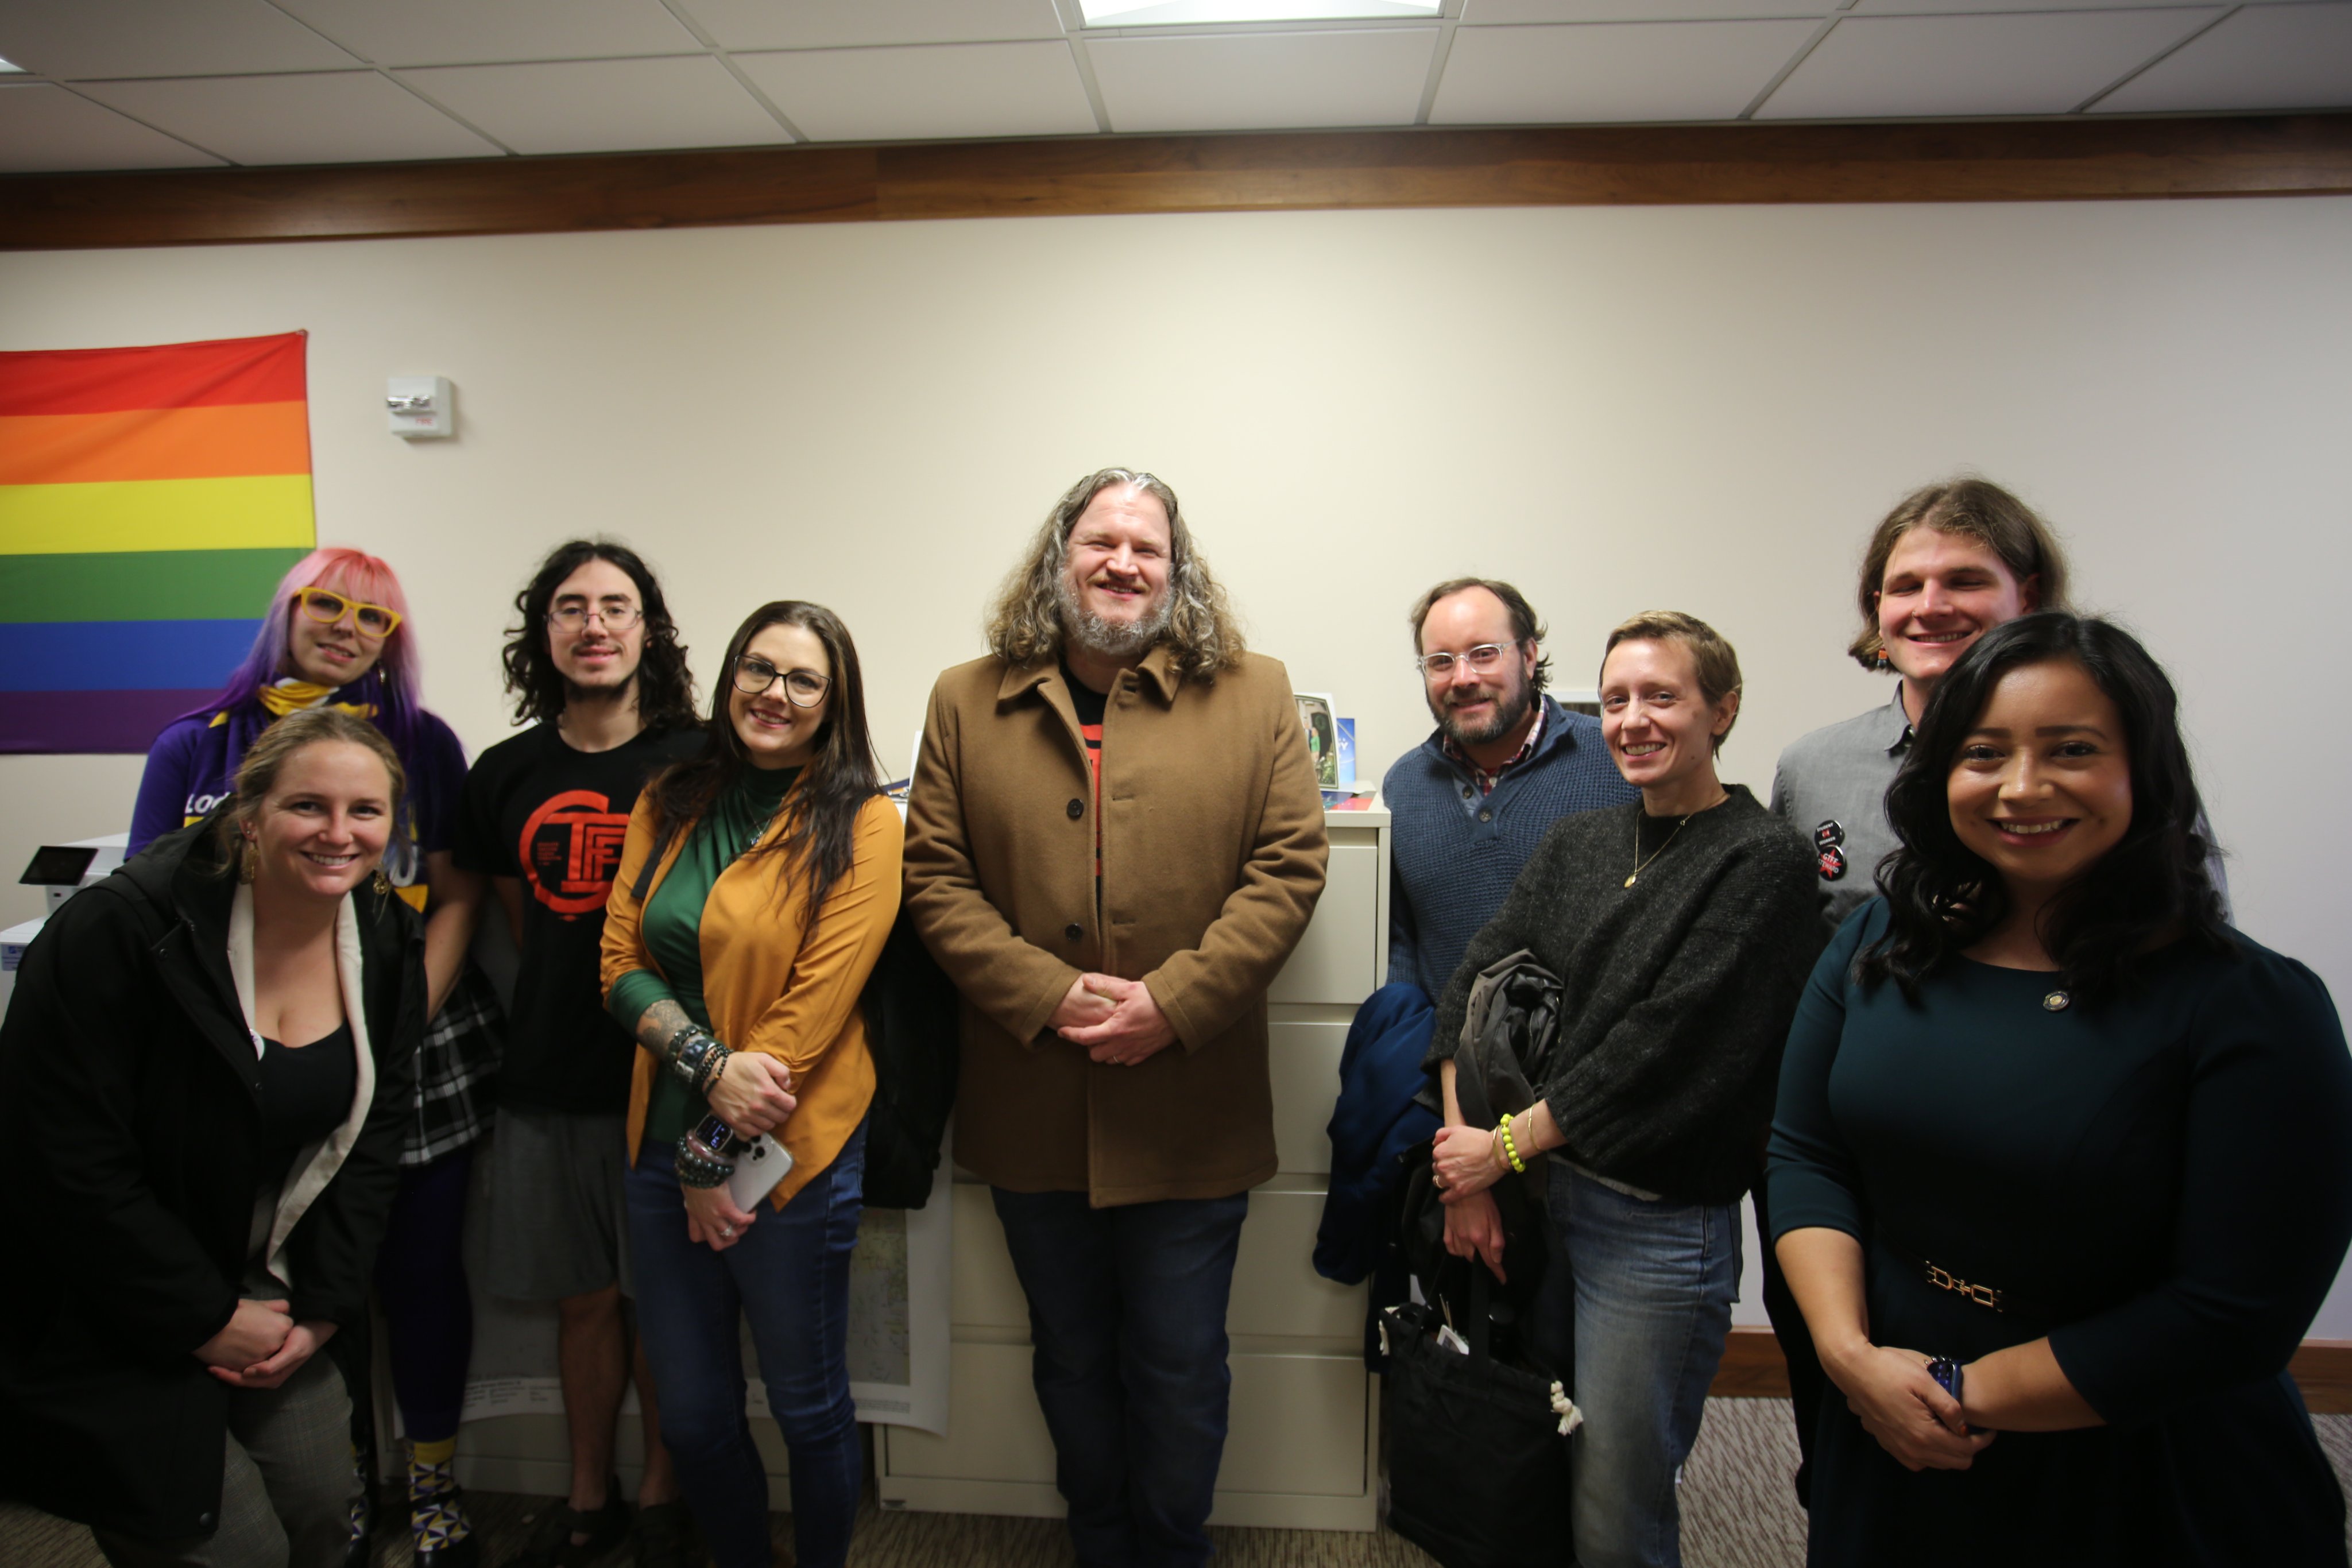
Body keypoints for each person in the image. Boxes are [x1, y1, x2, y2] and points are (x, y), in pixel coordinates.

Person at [1769, 612, 2352, 1565]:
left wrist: (1959, 1391)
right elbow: (1806, 1152)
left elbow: (2233, 1312)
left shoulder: (2249, 1007)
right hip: (1892, 1421)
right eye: (1984, 752)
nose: (2022, 786)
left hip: (2137, 1454)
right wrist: (1848, 1359)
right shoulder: (1878, 940)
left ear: (2145, 772)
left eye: (2072, 750)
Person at [903, 468, 1328, 1567]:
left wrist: (1171, 1004)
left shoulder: (1256, 690)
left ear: (1176, 569)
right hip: (1030, 1102)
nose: (1123, 563)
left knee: (1181, 1364)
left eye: (1147, 547)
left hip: (1191, 1107)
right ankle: (1101, 1544)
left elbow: (1288, 869)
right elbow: (936, 880)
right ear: (1059, 558)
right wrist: (1046, 995)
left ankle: (1173, 1549)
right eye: (1101, 541)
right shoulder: (963, 697)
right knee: (1071, 1358)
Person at [126, 545, 497, 1563]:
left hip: (405, 1035)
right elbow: (144, 901)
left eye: (372, 617)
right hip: (235, 1055)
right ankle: (303, 1483)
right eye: (325, 604)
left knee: (415, 1271)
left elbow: (459, 891)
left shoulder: (425, 744)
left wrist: (400, 1006)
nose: (346, 626)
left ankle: (426, 1485)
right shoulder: (195, 744)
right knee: (260, 1267)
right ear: (285, 613)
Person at [1428, 610, 1819, 1568]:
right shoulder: (1580, 842)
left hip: (1653, 1228)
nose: (1633, 719)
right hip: (1541, 1203)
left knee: (1616, 1506)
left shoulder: (1761, 860)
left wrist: (1504, 1146)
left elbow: (1662, 1051)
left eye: (1661, 696)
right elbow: (1471, 989)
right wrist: (1468, 1168)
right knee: (1542, 1463)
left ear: (1721, 708)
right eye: (1613, 700)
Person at [0, 708, 423, 1568]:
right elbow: (64, 1163)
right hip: (112, 1297)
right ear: (248, 813)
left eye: (366, 811)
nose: (339, 834)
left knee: (323, 1509)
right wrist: (202, 1315)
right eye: (308, 805)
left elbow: (375, 1133)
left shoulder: (381, 934)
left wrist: (321, 1309)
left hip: (272, 1293)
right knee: (228, 1543)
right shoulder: (119, 931)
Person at [601, 601, 900, 1568]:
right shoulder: (669, 797)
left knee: (808, 1403)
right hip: (659, 1142)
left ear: (834, 701)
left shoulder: (862, 820)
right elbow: (616, 961)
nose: (775, 693)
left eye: (802, 679)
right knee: (688, 1416)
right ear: (729, 677)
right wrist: (702, 1074)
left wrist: (712, 1151)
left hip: (790, 1153)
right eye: (757, 669)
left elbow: (812, 1013)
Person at [454, 541, 701, 1568]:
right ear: (543, 633)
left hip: (672, 1080)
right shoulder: (504, 772)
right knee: (584, 1302)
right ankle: (586, 1492)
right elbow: (520, 927)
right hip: (550, 1079)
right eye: (570, 607)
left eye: (615, 605)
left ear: (648, 628)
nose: (593, 625)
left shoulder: (700, 761)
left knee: (667, 1308)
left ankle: (660, 1495)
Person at [1770, 478, 2071, 940]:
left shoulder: (2096, 757)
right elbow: (1786, 957)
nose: (1930, 607)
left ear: (2027, 597)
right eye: (1906, 587)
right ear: (1879, 607)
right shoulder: (1810, 769)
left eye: (1965, 581)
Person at [1384, 576, 1638, 1002]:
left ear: (1529, 656)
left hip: (1591, 1058)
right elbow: (1403, 944)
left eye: (1484, 654)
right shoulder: (1405, 786)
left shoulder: (1615, 765)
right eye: (1441, 661)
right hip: (1444, 1059)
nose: (1462, 678)